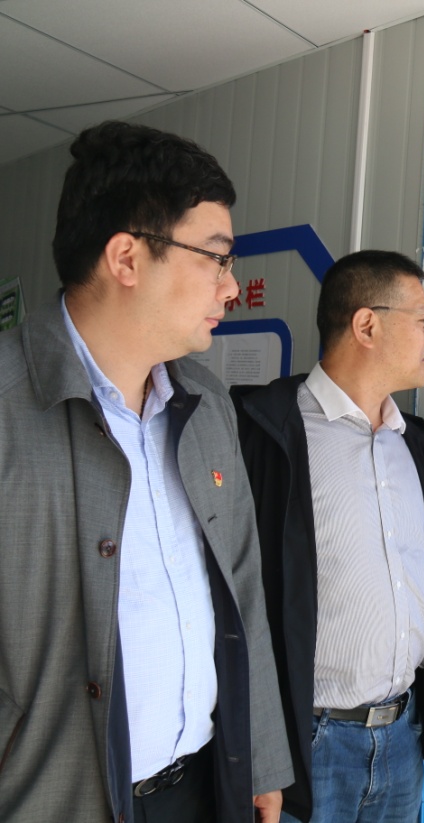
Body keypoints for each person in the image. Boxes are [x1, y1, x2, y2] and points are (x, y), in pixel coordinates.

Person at [0, 121, 292, 822]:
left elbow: (242, 586)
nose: (231, 287)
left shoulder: (207, 403)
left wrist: (261, 758)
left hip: (203, 786)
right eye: (216, 257)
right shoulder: (10, 406)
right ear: (127, 257)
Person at [232, 249, 424, 823]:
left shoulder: (412, 444)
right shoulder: (266, 431)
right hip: (305, 748)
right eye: (422, 320)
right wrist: (256, 751)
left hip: (400, 739)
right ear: (366, 325)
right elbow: (232, 599)